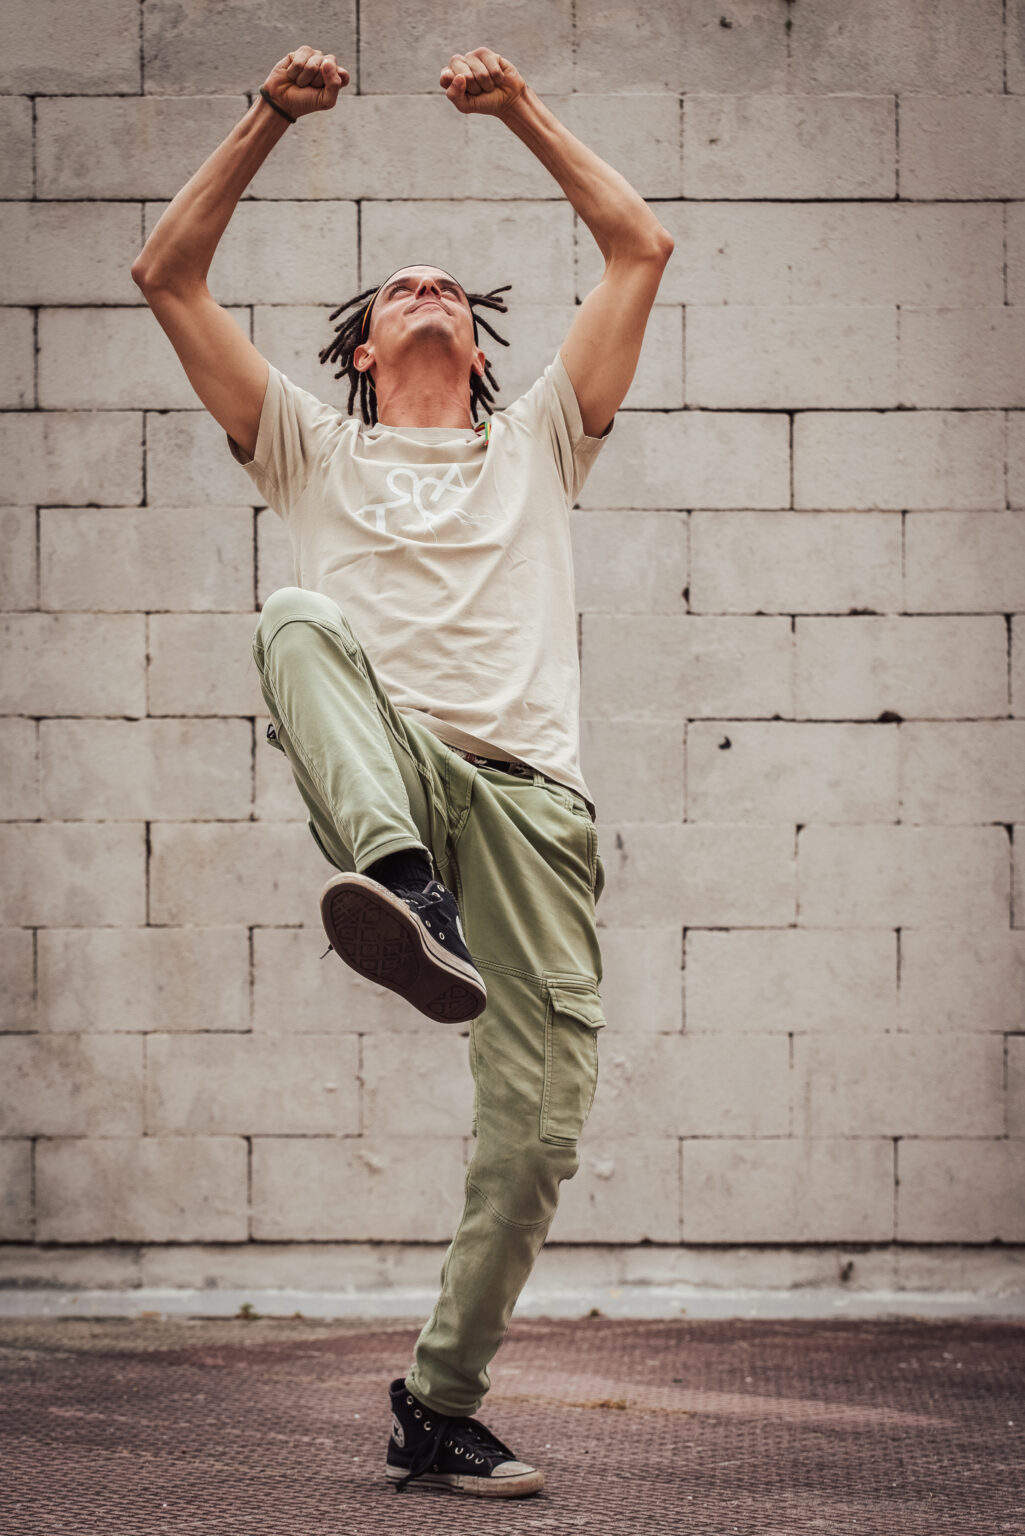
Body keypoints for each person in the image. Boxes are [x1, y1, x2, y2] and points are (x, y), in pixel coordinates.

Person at [132, 43, 674, 1498]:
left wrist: (519, 113)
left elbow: (639, 245)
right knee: (294, 618)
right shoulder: (308, 451)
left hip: (535, 810)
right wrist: (267, 117)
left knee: (538, 1134)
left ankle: (436, 1409)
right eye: (397, 289)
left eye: (451, 289)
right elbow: (167, 275)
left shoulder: (540, 438)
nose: (426, 288)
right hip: (399, 780)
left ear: (484, 353)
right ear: (362, 351)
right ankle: (404, 886)